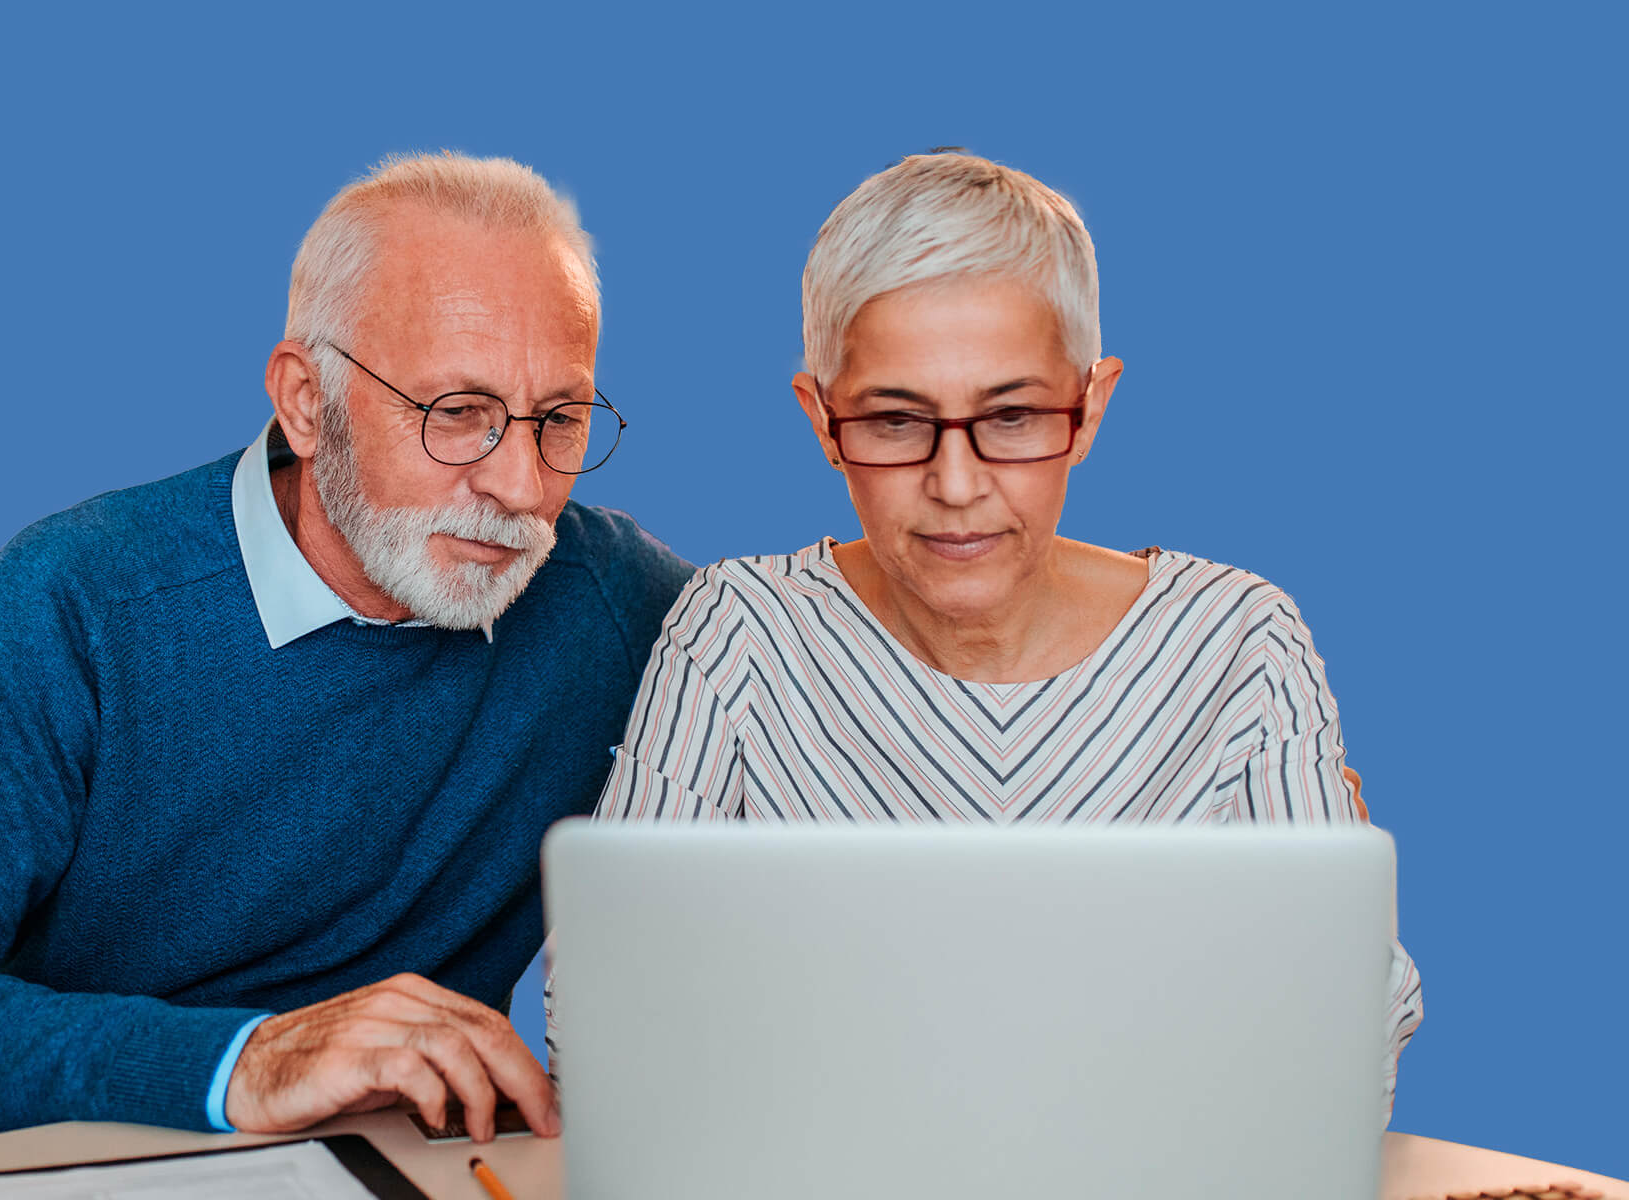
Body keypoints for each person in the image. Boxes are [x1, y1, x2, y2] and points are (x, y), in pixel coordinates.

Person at [0, 152, 693, 1149]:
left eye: (557, 419)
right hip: (100, 1169)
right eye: (455, 414)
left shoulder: (612, 600)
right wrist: (246, 1061)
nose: (517, 483)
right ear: (303, 399)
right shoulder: (82, 600)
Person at [559, 151, 1422, 1111]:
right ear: (822, 418)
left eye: (1011, 416)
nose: (957, 486)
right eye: (896, 422)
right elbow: (601, 1012)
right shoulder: (739, 636)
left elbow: (1345, 1052)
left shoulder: (1238, 647)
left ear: (1090, 406)